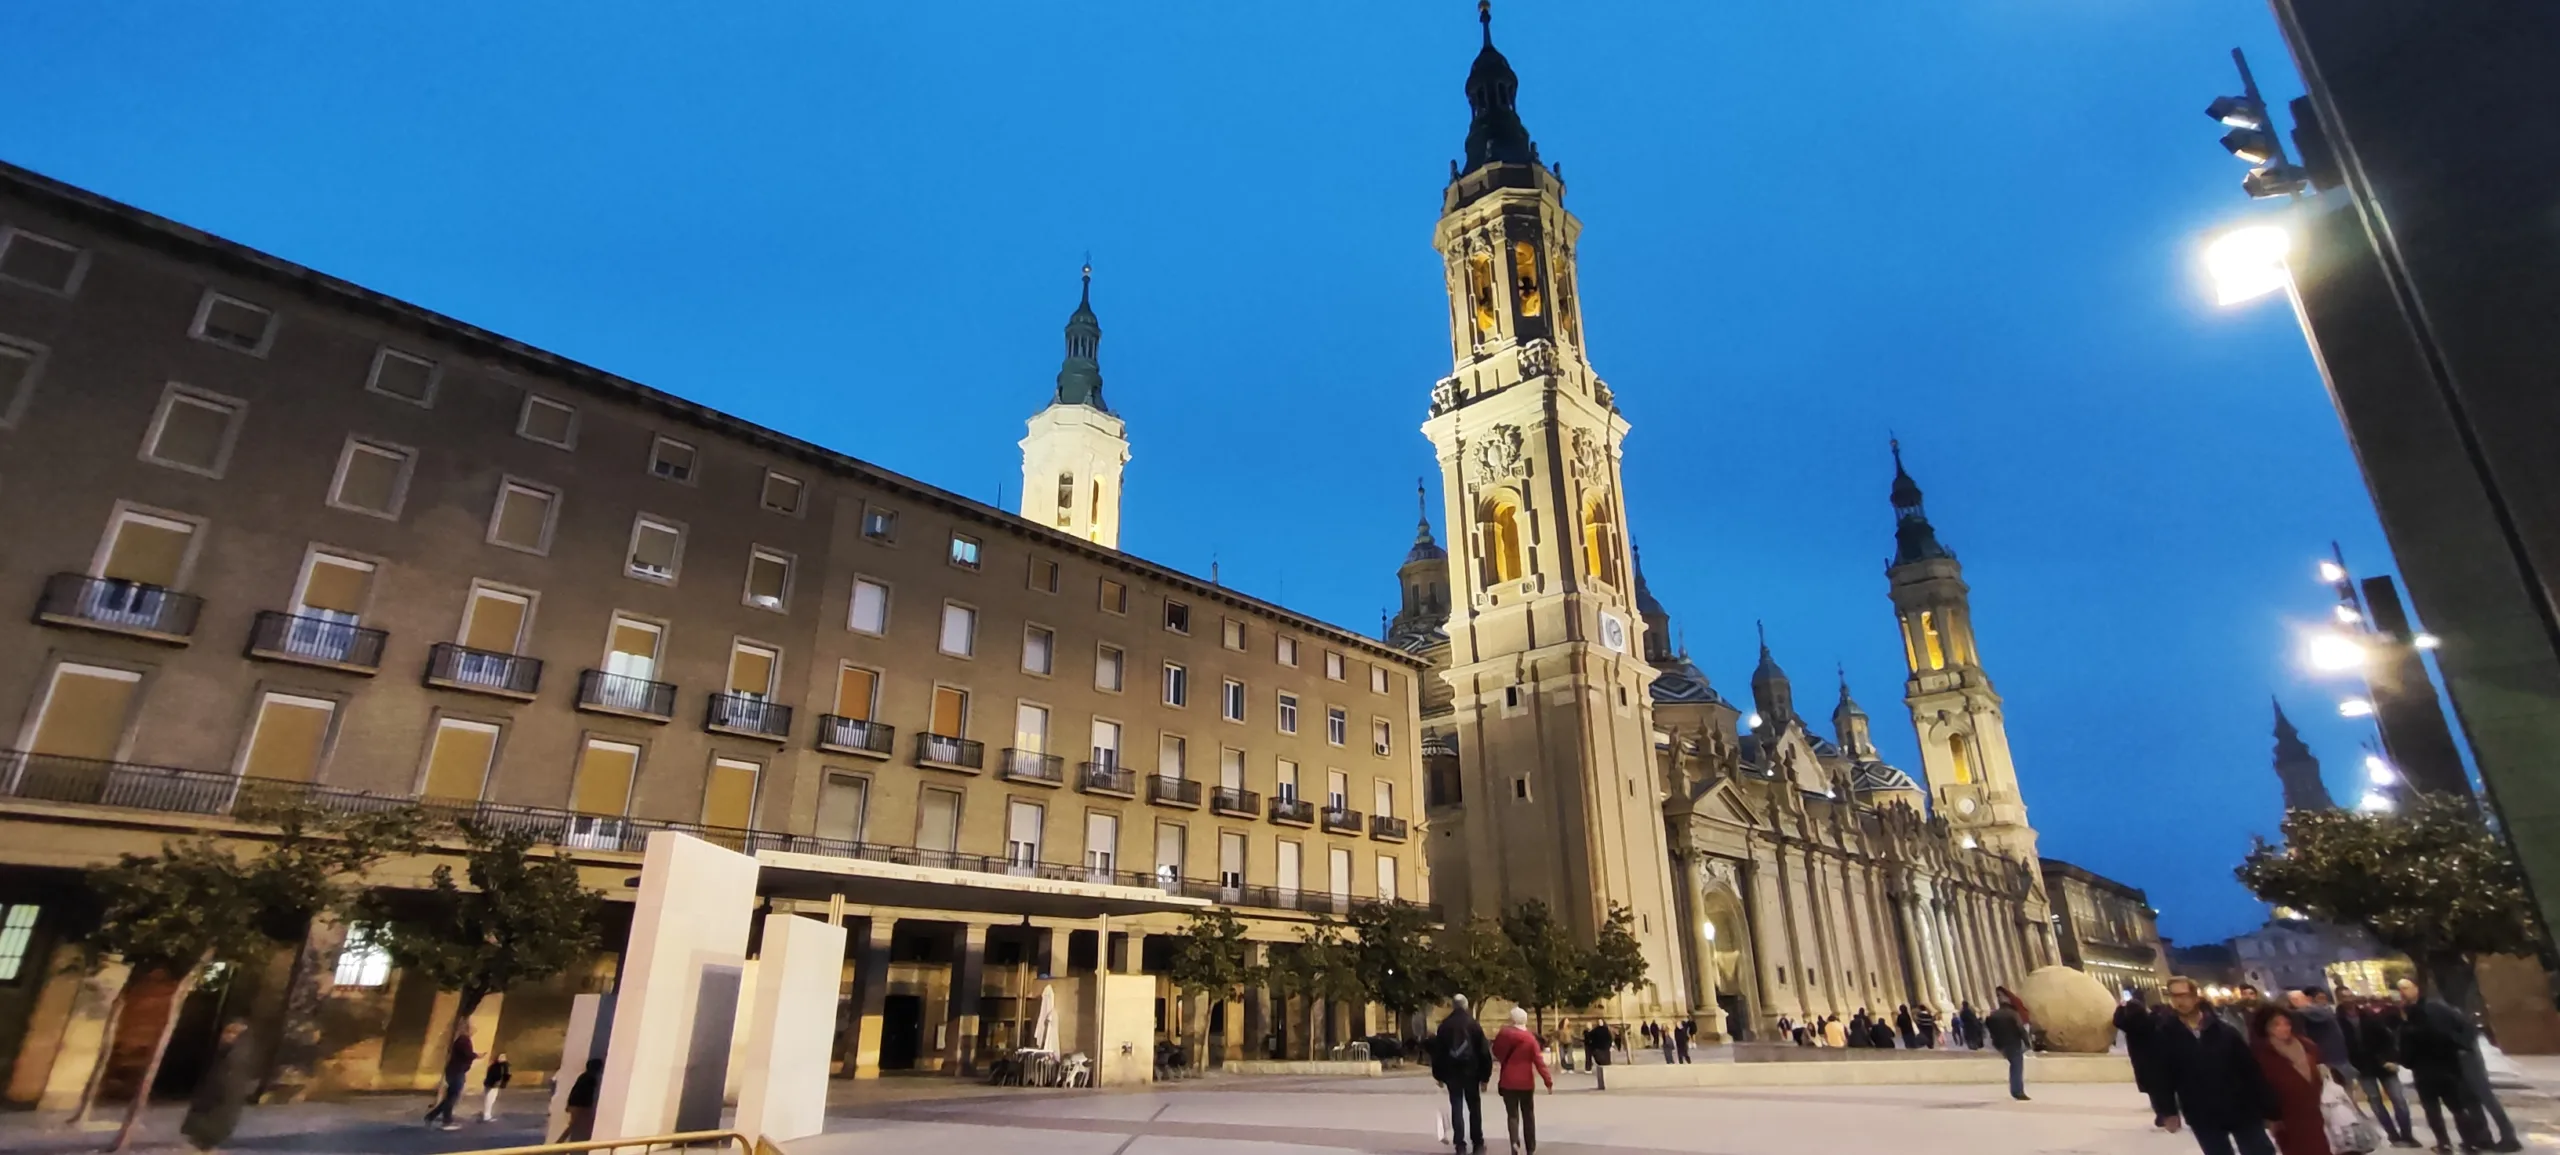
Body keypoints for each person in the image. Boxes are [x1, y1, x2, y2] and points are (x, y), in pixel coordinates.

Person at [2148, 977, 2280, 1155]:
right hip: (2201, 1111)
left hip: (2240, 1107)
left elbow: (2251, 1071)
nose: (2180, 1001)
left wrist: (2269, 1108)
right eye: (2174, 996)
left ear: (2196, 997)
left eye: (2184, 995)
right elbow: (2161, 1076)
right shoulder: (2164, 1035)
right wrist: (2168, 1111)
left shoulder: (2224, 1031)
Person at [2396, 978, 2494, 1153]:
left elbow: (2405, 1058)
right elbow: (2456, 1036)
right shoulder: (2437, 1020)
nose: (2402, 992)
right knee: (2457, 1108)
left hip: (2425, 1073)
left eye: (2405, 988)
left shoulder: (2408, 1029)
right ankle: (2469, 1142)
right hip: (2447, 1069)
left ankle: (2444, 1143)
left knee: (2433, 1110)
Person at [2252, 1005, 2334, 1155]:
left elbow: (2320, 1070)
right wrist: (2270, 1117)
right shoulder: (2262, 1054)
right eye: (2276, 1024)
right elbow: (2259, 1087)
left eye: (2286, 1023)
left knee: (2321, 1148)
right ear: (2265, 1027)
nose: (2283, 1028)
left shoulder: (2306, 1045)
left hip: (2313, 1110)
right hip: (2286, 1117)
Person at [2343, 998, 2420, 1148]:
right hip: (2362, 1067)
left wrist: (2391, 1059)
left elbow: (2387, 1039)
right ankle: (2393, 1135)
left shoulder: (2368, 1016)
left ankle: (2407, 1135)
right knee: (2375, 1101)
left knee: (2398, 1099)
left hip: (2383, 1063)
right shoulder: (2339, 1021)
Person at [180, 1020, 256, 1152]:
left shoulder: (237, 1055)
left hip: (223, 1098)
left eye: (232, 1033)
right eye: (227, 1032)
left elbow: (231, 1079)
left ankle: (203, 1143)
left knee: (212, 1127)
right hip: (212, 1097)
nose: (227, 1036)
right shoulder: (221, 1053)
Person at [1433, 995, 1493, 1155]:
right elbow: (1483, 1052)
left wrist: (1438, 1074)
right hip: (1471, 1072)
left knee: (1457, 1107)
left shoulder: (1445, 1026)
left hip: (1452, 1073)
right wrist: (1485, 1076)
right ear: (1466, 1005)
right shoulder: (1473, 1025)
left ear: (1453, 1006)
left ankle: (1460, 1144)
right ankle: (1478, 1143)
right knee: (1474, 1108)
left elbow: (1438, 1052)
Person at [1490, 1007, 1552, 1155]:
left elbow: (1496, 1051)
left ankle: (1514, 1143)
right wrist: (1547, 1081)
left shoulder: (1503, 1034)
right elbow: (1539, 1062)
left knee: (1512, 1115)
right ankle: (1530, 1147)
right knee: (1528, 1114)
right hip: (1526, 1082)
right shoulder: (1530, 1039)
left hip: (1508, 1081)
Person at [2291, 989, 2355, 1087]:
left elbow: (2324, 1014)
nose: (2323, 1001)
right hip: (2328, 1061)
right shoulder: (2307, 1015)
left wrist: (2300, 1007)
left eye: (2324, 998)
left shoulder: (2320, 1011)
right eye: (2320, 998)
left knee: (2343, 1094)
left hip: (2334, 1060)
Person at [424, 1025, 478, 1130]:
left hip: (455, 1071)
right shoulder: (464, 1040)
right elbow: (467, 1054)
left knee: (450, 1097)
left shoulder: (462, 1040)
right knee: (453, 1097)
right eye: (472, 1030)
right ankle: (446, 1121)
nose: (474, 1031)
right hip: (457, 1072)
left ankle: (431, 1117)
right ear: (467, 1030)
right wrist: (476, 1055)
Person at [1987, 994, 2030, 1102]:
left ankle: (2016, 1090)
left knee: (2013, 1065)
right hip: (2013, 1043)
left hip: (2001, 1044)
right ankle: (2017, 1091)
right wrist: (2027, 1043)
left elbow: (1990, 1029)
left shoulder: (1993, 1015)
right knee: (2017, 1067)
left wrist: (1996, 1043)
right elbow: (2021, 1029)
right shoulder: (2012, 1014)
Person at [558, 1057, 603, 1143]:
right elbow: (587, 1094)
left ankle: (561, 1144)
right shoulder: (591, 1079)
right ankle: (559, 1144)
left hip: (575, 1105)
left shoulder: (583, 1076)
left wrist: (568, 1104)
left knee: (574, 1126)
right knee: (574, 1126)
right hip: (580, 1106)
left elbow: (575, 1090)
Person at [479, 1051, 512, 1123]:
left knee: (489, 1100)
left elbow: (505, 1076)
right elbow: (505, 1076)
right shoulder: (501, 1066)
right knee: (489, 1100)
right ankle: (486, 1115)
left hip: (491, 1084)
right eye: (501, 1057)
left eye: (503, 1057)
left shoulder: (495, 1065)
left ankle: (487, 1115)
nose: (502, 1058)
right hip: (493, 1085)